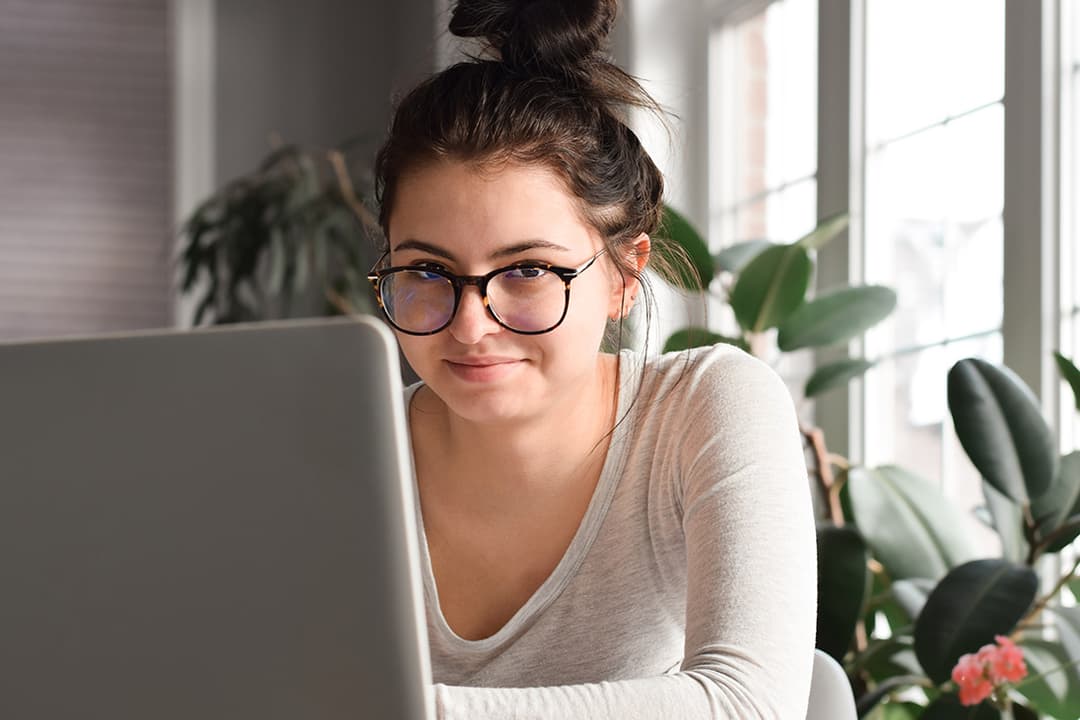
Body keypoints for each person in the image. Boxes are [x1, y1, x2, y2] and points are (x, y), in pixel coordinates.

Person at [367, 1, 816, 717]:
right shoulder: (351, 452)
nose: (473, 326)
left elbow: (750, 705)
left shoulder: (706, 407)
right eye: (425, 272)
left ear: (624, 276)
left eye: (529, 271)